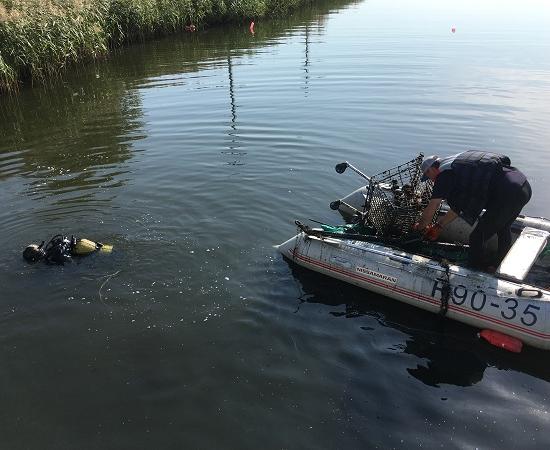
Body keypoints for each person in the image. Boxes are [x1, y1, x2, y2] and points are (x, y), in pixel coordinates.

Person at [414, 150, 532, 270]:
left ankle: (475, 272)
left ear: (430, 170)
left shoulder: (443, 175)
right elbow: (458, 207)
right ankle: (497, 264)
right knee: (503, 227)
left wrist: (420, 228)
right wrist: (439, 226)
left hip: (509, 194)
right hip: (523, 186)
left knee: (477, 237)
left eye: (428, 177)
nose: (431, 181)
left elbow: (433, 205)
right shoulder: (455, 163)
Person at [23, 234, 113, 265]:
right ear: (40, 248)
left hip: (87, 254)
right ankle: (109, 249)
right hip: (91, 246)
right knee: (107, 250)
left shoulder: (50, 259)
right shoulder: (54, 248)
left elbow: (70, 262)